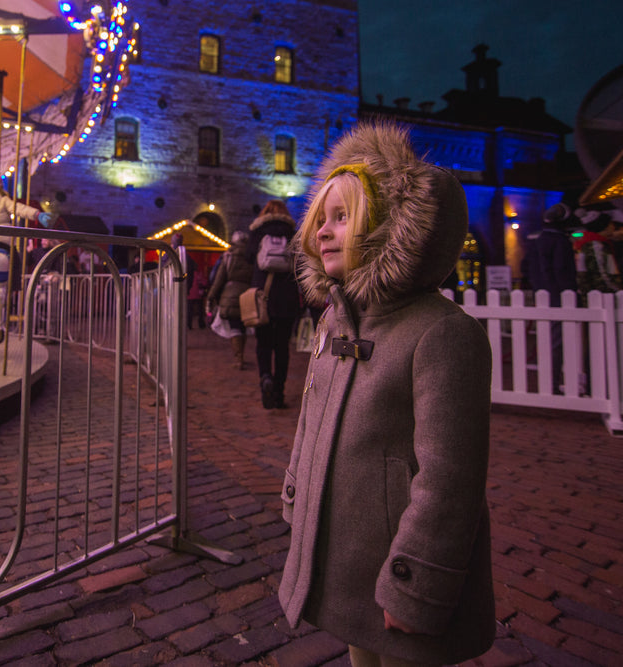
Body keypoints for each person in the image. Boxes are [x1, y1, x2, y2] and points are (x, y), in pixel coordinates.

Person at [279, 122, 494, 666]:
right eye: (320, 220)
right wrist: (296, 491)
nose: (323, 232)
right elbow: (311, 418)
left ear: (383, 226)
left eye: (342, 218)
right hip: (349, 557)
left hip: (396, 564)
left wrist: (415, 582)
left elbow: (450, 480)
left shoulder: (441, 332)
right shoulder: (336, 321)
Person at [0, 167, 52, 341]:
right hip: (2, 243)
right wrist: (37, 215)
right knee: (15, 261)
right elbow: (19, 208)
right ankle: (13, 290)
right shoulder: (3, 199)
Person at [246, 200, 299, 408]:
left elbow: (249, 257)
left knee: (264, 344)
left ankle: (265, 378)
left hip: (263, 296)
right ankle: (279, 392)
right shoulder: (291, 232)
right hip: (287, 297)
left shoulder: (257, 231)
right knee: (282, 347)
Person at [526, 203, 579, 390]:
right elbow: (560, 270)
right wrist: (570, 292)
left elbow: (530, 269)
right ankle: (553, 383)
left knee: (547, 341)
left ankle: (550, 382)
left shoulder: (537, 240)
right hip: (560, 297)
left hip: (542, 295)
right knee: (558, 342)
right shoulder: (560, 241)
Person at [207, 230, 253, 369]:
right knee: (243, 327)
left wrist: (211, 296)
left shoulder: (229, 256)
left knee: (235, 328)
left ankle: (238, 358)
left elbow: (219, 278)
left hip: (230, 296)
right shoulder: (252, 256)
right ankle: (241, 355)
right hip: (247, 296)